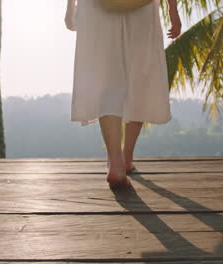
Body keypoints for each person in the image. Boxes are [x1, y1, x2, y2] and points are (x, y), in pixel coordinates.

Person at [65, 0, 181, 189]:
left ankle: (117, 164)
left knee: (106, 81)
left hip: (95, 7)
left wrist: (70, 8)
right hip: (141, 6)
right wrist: (173, 9)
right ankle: (126, 159)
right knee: (140, 78)